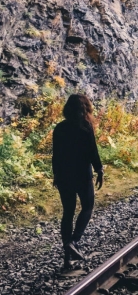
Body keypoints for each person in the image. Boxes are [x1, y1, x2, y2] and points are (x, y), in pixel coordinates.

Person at [52, 94, 104, 267]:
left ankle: (67, 256)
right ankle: (73, 241)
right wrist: (99, 169)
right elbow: (92, 151)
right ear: (85, 109)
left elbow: (56, 156)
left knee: (68, 212)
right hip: (82, 175)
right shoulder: (85, 127)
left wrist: (56, 175)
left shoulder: (59, 128)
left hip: (64, 176)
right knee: (87, 207)